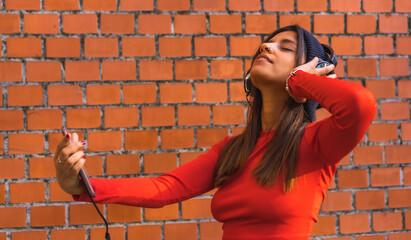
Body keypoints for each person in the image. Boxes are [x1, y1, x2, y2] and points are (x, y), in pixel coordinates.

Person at [54, 25, 376, 240]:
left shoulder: (316, 144)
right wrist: (84, 185)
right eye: (267, 42)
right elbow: (163, 188)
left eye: (286, 47)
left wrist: (298, 83)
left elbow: (360, 105)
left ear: (306, 68)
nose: (266, 45)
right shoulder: (233, 150)